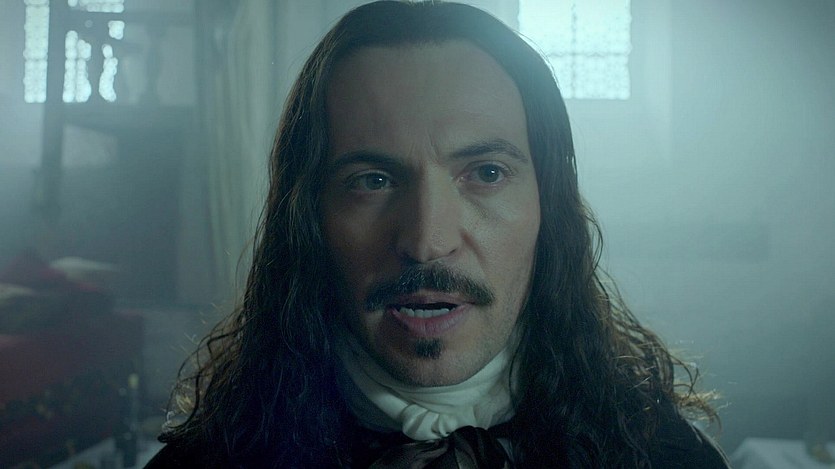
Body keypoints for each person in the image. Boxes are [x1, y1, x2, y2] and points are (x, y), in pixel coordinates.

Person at [147, 1, 730, 467]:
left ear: (548, 209)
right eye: (373, 181)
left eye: (486, 174)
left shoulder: (663, 457)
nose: (427, 242)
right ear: (307, 221)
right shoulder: (211, 461)